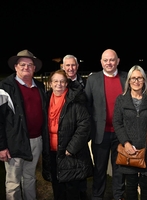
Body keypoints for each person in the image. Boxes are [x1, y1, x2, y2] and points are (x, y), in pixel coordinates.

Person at [0, 49, 47, 200]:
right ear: (16, 67)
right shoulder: (3, 89)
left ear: (34, 68)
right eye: (22, 64)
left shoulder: (40, 87)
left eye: (30, 64)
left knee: (30, 177)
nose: (26, 67)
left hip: (36, 141)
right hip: (14, 143)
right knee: (13, 182)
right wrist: (0, 146)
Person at [41, 69, 93, 200]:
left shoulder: (75, 99)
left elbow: (84, 125)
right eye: (55, 81)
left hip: (70, 153)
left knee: (71, 189)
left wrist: (71, 148)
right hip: (52, 151)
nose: (59, 84)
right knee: (57, 186)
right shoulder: (46, 99)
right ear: (50, 83)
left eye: (62, 81)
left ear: (66, 83)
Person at [84, 49, 127, 200]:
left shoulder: (126, 78)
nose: (109, 63)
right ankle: (97, 196)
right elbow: (87, 106)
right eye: (105, 60)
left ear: (118, 61)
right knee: (100, 169)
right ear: (101, 62)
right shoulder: (93, 80)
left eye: (112, 60)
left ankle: (118, 196)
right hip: (100, 133)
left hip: (121, 134)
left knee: (119, 169)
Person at [113, 65, 147, 200]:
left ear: (144, 80)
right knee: (130, 186)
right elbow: (117, 123)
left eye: (139, 78)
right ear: (129, 81)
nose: (136, 81)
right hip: (129, 150)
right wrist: (126, 143)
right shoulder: (121, 99)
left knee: (146, 185)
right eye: (133, 78)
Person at [62, 54, 89, 200]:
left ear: (77, 67)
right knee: (68, 166)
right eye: (68, 65)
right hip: (65, 132)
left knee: (81, 164)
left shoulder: (85, 84)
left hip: (81, 131)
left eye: (73, 65)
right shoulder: (60, 83)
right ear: (63, 67)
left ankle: (82, 192)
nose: (70, 68)